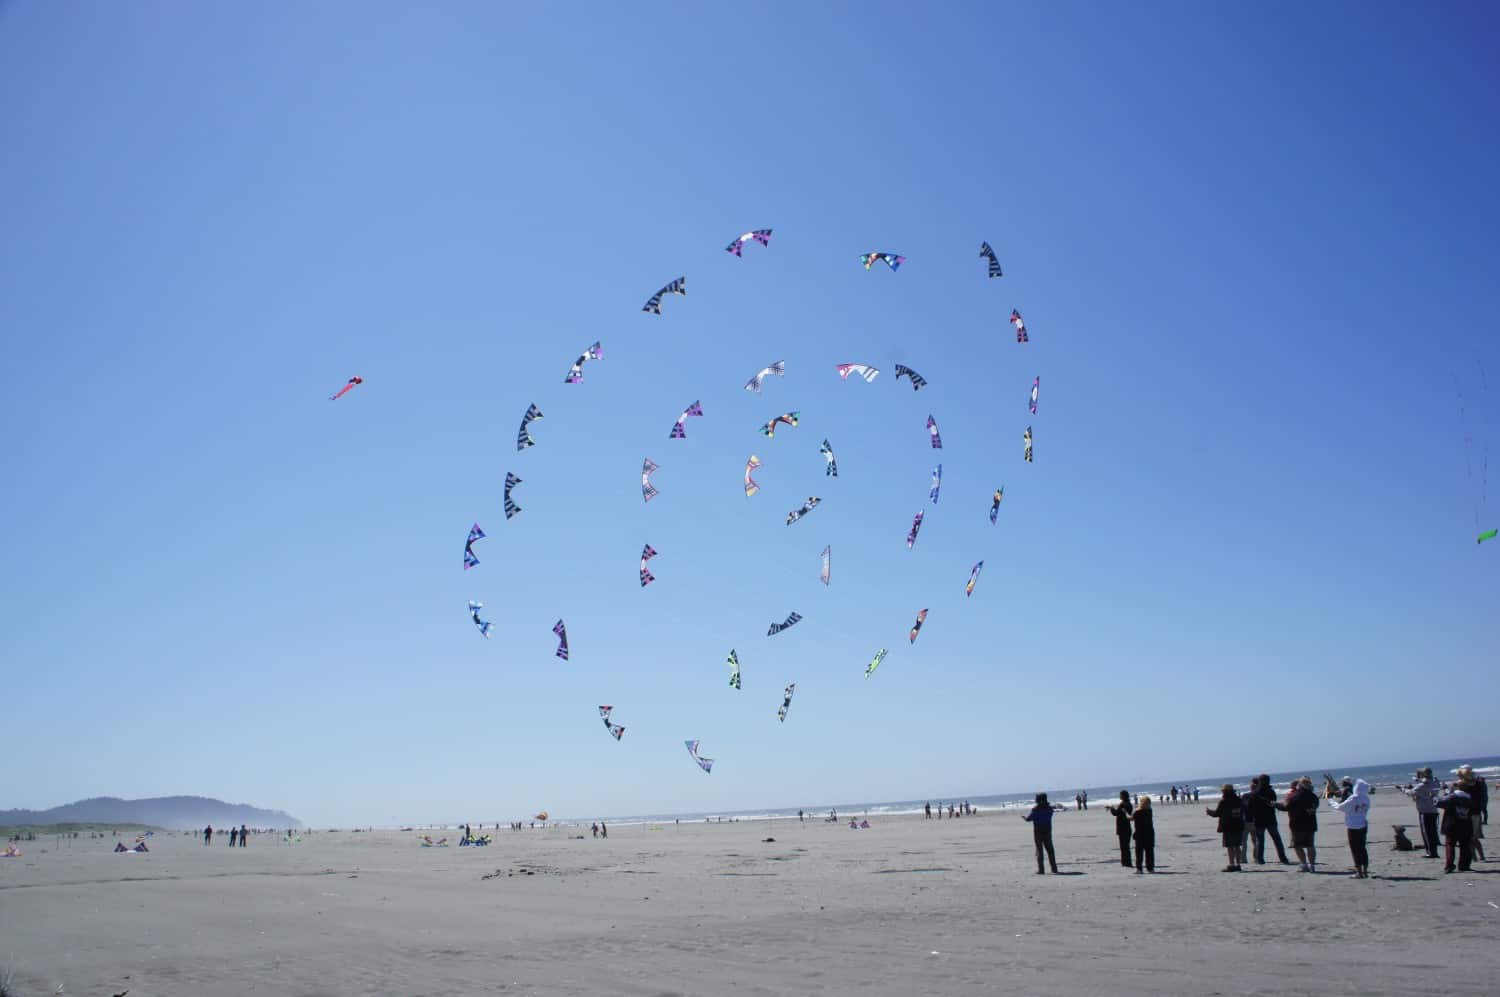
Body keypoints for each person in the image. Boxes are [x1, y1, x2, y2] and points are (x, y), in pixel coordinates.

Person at [1328, 778, 1372, 878]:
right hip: (1363, 824)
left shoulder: (1354, 798)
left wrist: (1331, 801)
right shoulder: (1366, 798)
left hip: (1353, 826)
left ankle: (1359, 872)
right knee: (1362, 848)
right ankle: (1364, 870)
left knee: (1355, 849)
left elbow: (1340, 807)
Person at [1278, 776, 1320, 872]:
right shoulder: (1313, 796)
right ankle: (1312, 865)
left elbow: (1286, 807)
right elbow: (1315, 806)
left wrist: (1276, 805)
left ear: (1300, 785)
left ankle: (1304, 864)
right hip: (1311, 823)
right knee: (1310, 845)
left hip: (1298, 824)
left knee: (1297, 846)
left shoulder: (1295, 796)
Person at [1250, 775, 1291, 864]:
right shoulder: (1270, 791)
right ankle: (1283, 858)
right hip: (1270, 818)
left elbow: (1251, 807)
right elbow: (1273, 803)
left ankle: (1260, 859)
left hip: (1259, 819)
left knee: (1260, 840)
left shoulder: (1254, 793)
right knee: (1276, 839)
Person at [1400, 767, 1441, 858]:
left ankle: (1430, 852)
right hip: (1433, 809)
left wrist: (1402, 789)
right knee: (1433, 832)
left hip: (1425, 810)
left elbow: (1411, 793)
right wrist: (1418, 780)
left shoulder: (1422, 785)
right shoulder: (1435, 781)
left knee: (1426, 833)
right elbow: (1426, 783)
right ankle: (1433, 851)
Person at [1436, 781, 1474, 873]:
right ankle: (1464, 865)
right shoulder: (1469, 797)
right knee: (1465, 845)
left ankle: (1449, 866)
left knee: (1450, 844)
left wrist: (1435, 796)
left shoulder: (1453, 797)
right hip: (1466, 824)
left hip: (1452, 824)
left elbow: (1439, 803)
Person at [1206, 784, 1245, 871]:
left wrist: (1209, 812)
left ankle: (1231, 864)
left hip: (1228, 826)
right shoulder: (1239, 800)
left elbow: (1217, 813)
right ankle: (1238, 864)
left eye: (1223, 791)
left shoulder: (1224, 801)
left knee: (1230, 846)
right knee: (1237, 845)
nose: (1222, 792)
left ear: (1225, 792)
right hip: (1238, 825)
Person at [1022, 793, 1063, 874]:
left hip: (1038, 831)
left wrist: (1024, 818)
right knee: (1050, 850)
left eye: (1036, 798)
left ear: (1038, 800)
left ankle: (1041, 870)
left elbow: (1029, 819)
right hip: (1047, 830)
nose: (1035, 799)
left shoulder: (1036, 809)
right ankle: (1054, 869)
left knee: (1039, 850)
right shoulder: (1049, 809)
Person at [1457, 766, 1487, 861]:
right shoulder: (1478, 784)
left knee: (1469, 837)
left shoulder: (1466, 786)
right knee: (1474, 837)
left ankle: (1474, 857)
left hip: (1469, 813)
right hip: (1476, 812)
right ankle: (1481, 856)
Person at [1105, 791, 1133, 867]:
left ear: (1123, 796)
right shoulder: (1128, 803)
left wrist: (1111, 808)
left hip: (1123, 827)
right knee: (1125, 846)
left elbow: (1116, 813)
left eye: (1120, 795)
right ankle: (1125, 862)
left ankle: (1126, 862)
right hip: (1126, 827)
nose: (1120, 796)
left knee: (1124, 846)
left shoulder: (1124, 804)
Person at [1131, 796, 1155, 873]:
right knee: (1149, 852)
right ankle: (1150, 868)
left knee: (1139, 852)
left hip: (1140, 833)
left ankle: (1139, 869)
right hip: (1149, 833)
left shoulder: (1137, 812)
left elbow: (1130, 818)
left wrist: (1125, 813)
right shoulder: (1149, 811)